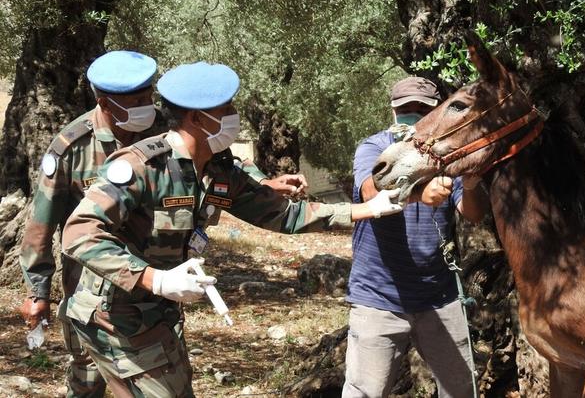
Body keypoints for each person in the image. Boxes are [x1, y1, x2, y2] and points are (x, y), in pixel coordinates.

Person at [60, 61, 403, 397]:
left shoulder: (217, 170)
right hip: (113, 314)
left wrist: (366, 209)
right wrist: (156, 279)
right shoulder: (142, 167)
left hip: (157, 313)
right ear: (197, 118)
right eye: (227, 109)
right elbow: (79, 232)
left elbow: (285, 214)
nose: (234, 117)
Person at [19, 50, 161, 398]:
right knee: (87, 379)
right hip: (89, 292)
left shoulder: (163, 131)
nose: (148, 105)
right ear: (105, 103)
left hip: (151, 281)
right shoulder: (71, 147)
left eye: (149, 96)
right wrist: (38, 292)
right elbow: (42, 223)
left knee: (157, 377)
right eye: (137, 100)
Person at [342, 76, 489, 398]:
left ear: (435, 112)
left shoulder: (447, 156)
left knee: (462, 391)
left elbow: (472, 212)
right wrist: (421, 192)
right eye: (404, 108)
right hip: (378, 299)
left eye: (420, 109)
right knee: (365, 391)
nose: (411, 115)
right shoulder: (374, 146)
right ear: (392, 111)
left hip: (441, 298)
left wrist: (474, 182)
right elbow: (370, 190)